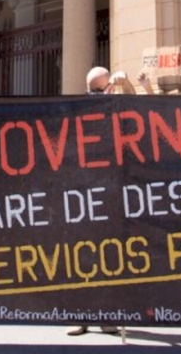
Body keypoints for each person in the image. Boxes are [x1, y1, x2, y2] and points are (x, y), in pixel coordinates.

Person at [68, 68, 125, 336]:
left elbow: (141, 113)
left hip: (109, 197)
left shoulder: (116, 108)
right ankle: (82, 316)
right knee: (83, 260)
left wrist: (126, 86)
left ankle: (108, 316)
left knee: (109, 259)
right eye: (92, 90)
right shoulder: (80, 112)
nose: (95, 95)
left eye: (99, 90)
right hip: (82, 198)